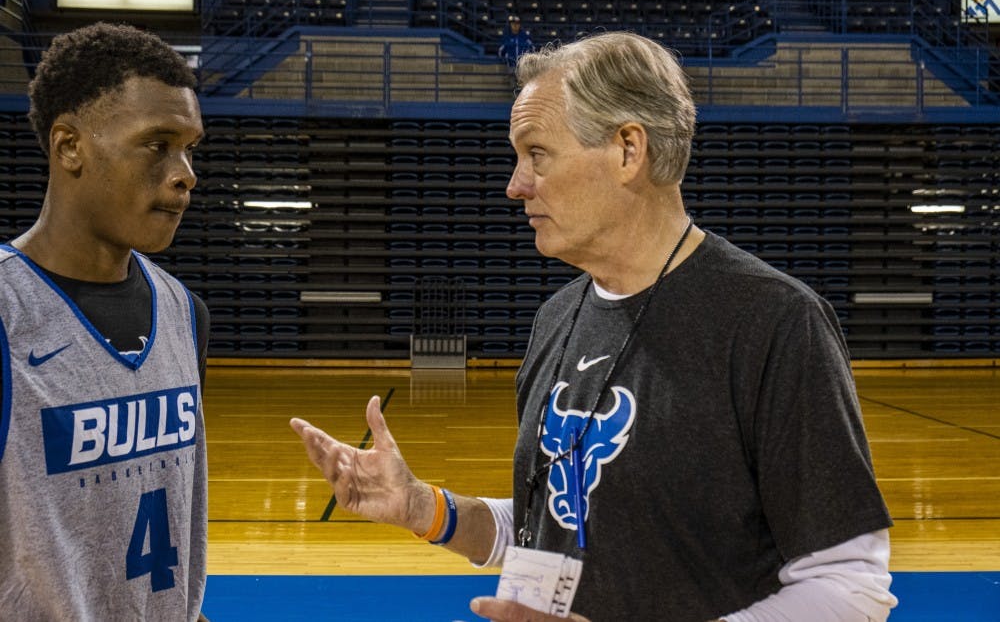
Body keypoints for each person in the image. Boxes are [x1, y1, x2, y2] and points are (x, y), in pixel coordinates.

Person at [291, 31, 897, 622]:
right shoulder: (557, 318)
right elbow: (553, 525)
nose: (515, 185)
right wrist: (424, 508)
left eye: (537, 154)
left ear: (628, 150)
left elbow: (848, 590)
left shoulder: (774, 322)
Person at [0, 22, 210, 621]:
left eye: (191, 148)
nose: (185, 173)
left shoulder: (184, 313)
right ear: (69, 146)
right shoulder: (7, 313)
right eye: (156, 144)